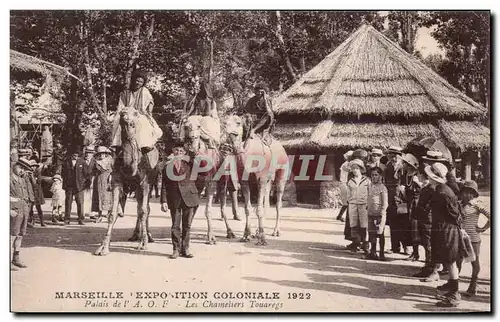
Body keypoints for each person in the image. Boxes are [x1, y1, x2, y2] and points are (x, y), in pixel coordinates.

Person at [425, 162, 462, 307]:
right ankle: (451, 286)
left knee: (451, 261)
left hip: (447, 230)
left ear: (434, 178)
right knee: (448, 260)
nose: (428, 179)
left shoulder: (442, 192)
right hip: (446, 229)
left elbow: (454, 214)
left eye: (430, 176)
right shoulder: (441, 189)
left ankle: (454, 294)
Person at [160, 139, 200, 259]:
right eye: (176, 150)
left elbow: (200, 168)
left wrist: (192, 150)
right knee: (175, 226)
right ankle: (175, 250)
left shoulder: (190, 163)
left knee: (187, 225)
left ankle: (186, 249)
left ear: (184, 152)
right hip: (174, 199)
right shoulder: (167, 166)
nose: (178, 152)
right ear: (173, 151)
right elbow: (164, 186)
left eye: (181, 150)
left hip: (189, 197)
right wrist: (163, 201)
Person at [111, 72, 163, 154]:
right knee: (118, 121)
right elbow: (121, 105)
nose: (138, 83)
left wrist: (147, 112)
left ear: (143, 83)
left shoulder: (144, 91)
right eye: (137, 80)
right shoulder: (126, 93)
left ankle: (145, 145)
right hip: (127, 112)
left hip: (139, 113)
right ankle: (117, 144)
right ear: (133, 80)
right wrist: (124, 111)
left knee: (143, 122)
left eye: (141, 82)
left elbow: (150, 102)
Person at [458, 180, 490, 297]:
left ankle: (473, 286)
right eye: (464, 192)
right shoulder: (459, 204)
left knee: (474, 263)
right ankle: (453, 286)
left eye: (469, 192)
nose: (466, 195)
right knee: (457, 261)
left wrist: (483, 228)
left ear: (474, 193)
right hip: (461, 238)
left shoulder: (477, 204)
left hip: (474, 239)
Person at [10, 159, 33, 270]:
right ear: (15, 165)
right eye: (20, 167)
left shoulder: (22, 180)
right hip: (13, 210)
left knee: (20, 235)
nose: (22, 171)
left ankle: (16, 257)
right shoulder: (8, 179)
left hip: (23, 209)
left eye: (24, 169)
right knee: (11, 236)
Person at [400, 153, 422, 260]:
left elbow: (423, 190)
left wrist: (418, 183)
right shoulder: (404, 176)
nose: (402, 164)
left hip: (416, 205)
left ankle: (416, 252)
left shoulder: (417, 176)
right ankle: (411, 250)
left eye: (404, 163)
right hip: (407, 205)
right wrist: (402, 192)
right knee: (407, 228)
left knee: (415, 229)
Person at [62, 150, 93, 225]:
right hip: (69, 186)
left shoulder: (82, 162)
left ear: (79, 155)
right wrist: (65, 183)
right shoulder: (66, 162)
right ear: (71, 155)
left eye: (76, 155)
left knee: (80, 203)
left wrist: (85, 184)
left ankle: (81, 219)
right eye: (73, 154)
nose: (75, 156)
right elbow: (63, 173)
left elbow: (87, 174)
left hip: (79, 186)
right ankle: (67, 219)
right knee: (68, 203)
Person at [347, 158, 370, 254]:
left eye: (357, 168)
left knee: (364, 224)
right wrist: (350, 201)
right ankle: (355, 243)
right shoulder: (350, 181)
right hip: (353, 204)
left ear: (360, 169)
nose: (355, 170)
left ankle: (365, 244)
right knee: (353, 223)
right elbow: (348, 194)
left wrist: (369, 203)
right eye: (353, 168)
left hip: (364, 204)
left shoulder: (367, 181)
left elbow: (370, 193)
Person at [384, 146, 403, 254]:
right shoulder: (388, 166)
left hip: (400, 196)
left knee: (403, 221)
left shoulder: (402, 167)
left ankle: (406, 247)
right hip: (390, 196)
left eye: (395, 156)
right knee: (392, 221)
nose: (393, 158)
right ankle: (395, 246)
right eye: (391, 156)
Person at [366, 167, 388, 261]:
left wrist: (382, 213)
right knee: (371, 233)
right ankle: (373, 252)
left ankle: (382, 253)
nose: (374, 177)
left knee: (380, 233)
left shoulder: (382, 188)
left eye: (376, 175)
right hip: (370, 213)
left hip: (379, 214)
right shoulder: (370, 186)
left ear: (380, 176)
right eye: (372, 175)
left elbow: (385, 202)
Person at [91, 146, 114, 223]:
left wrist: (111, 179)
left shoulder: (110, 161)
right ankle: (100, 215)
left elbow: (113, 171)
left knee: (108, 197)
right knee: (98, 197)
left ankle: (109, 215)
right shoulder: (96, 162)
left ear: (106, 154)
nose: (101, 155)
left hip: (108, 180)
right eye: (100, 154)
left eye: (103, 154)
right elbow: (93, 172)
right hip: (98, 181)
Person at [27, 160, 46, 227]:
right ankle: (31, 221)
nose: (33, 168)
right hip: (30, 192)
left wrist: (32, 176)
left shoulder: (38, 173)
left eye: (34, 166)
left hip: (37, 193)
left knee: (38, 208)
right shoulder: (28, 174)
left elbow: (36, 184)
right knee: (30, 208)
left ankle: (42, 221)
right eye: (32, 166)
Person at [337, 150, 353, 222]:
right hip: (344, 183)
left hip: (344, 183)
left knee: (346, 202)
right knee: (347, 202)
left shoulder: (346, 164)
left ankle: (340, 216)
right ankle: (342, 216)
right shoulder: (346, 164)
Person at [83, 146, 95, 219]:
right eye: (87, 153)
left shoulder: (95, 161)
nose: (87, 154)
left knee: (92, 197)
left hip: (92, 181)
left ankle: (92, 214)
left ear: (92, 154)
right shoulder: (81, 160)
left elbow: (96, 172)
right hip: (83, 182)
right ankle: (82, 213)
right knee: (84, 198)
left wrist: (93, 180)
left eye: (90, 153)